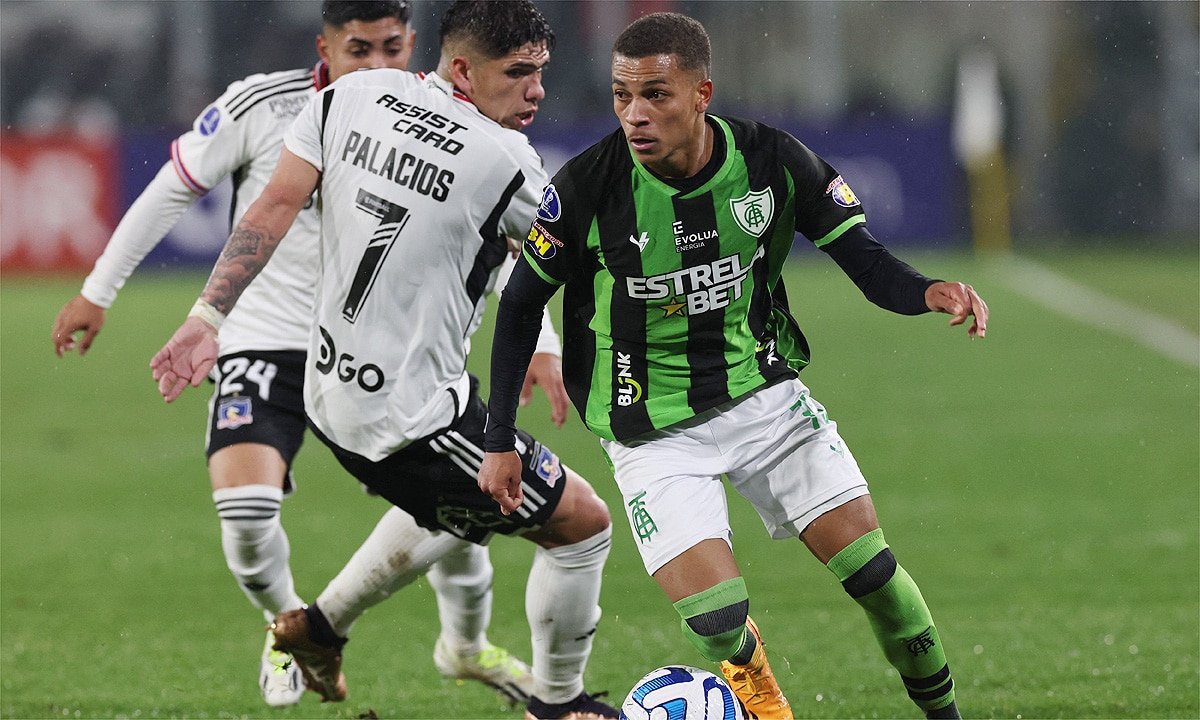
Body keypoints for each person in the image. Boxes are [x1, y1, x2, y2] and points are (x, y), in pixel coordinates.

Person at [479, 12, 988, 720]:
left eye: (656, 94)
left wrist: (926, 291)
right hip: (649, 432)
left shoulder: (773, 161)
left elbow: (865, 262)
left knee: (875, 576)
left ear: (701, 94)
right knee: (718, 621)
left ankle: (945, 717)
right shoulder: (587, 188)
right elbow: (520, 306)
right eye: (623, 96)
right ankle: (765, 701)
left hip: (764, 399)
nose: (635, 115)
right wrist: (500, 438)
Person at [52, 0, 541, 708]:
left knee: (457, 514)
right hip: (270, 337)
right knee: (247, 514)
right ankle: (286, 626)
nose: (377, 65)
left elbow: (501, 253)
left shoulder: (447, 126)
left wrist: (543, 344)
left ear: (413, 46)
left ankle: (465, 645)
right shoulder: (265, 106)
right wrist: (100, 291)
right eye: (359, 49)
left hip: (385, 352)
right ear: (324, 47)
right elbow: (174, 188)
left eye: (392, 48)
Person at [149, 2, 619, 718]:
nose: (537, 91)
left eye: (542, 73)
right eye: (519, 73)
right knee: (583, 526)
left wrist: (206, 317)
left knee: (453, 503)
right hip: (410, 415)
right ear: (463, 69)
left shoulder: (349, 97)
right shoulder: (508, 163)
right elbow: (566, 263)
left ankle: (317, 628)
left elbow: (273, 206)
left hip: (329, 390)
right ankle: (559, 704)